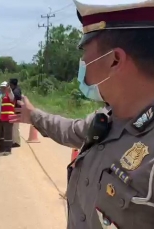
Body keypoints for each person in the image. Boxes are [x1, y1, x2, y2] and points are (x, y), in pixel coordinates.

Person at [9, 0, 154, 228]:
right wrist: (33, 115)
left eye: (85, 52)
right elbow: (69, 130)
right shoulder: (107, 121)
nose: (83, 63)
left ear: (114, 60)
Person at [0, 81, 15, 155]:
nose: (2, 89)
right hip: (2, 118)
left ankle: (8, 150)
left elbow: (11, 95)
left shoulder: (10, 95)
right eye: (1, 88)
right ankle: (1, 147)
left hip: (8, 118)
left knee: (8, 134)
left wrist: (8, 88)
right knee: (1, 134)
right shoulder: (1, 96)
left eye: (4, 88)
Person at [9, 78, 22, 148]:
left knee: (15, 127)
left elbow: (15, 101)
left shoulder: (15, 92)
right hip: (17, 110)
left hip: (16, 111)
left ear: (12, 84)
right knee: (15, 127)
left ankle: (16, 142)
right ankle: (15, 141)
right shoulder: (17, 89)